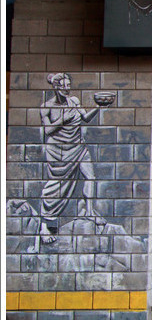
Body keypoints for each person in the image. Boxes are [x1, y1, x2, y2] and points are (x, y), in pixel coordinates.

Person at [39, 73, 114, 244]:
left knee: (90, 177)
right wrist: (63, 119)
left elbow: (85, 118)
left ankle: (88, 211)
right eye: (63, 85)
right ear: (56, 87)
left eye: (68, 85)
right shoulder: (47, 106)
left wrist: (99, 107)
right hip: (58, 150)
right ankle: (44, 225)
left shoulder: (74, 101)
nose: (67, 88)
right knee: (55, 186)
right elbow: (48, 130)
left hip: (78, 146)